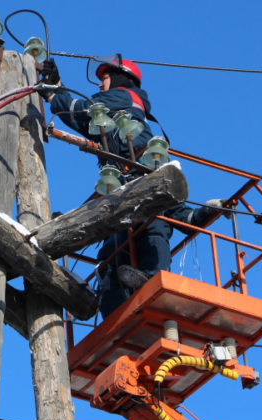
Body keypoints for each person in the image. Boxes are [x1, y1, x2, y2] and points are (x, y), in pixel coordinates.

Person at [41, 57, 228, 318]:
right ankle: (117, 305)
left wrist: (54, 94)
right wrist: (57, 89)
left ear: (119, 78)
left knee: (153, 224)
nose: (99, 83)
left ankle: (150, 281)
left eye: (104, 78)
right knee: (112, 252)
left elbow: (86, 113)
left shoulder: (124, 97)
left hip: (140, 175)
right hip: (125, 188)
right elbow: (91, 123)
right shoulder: (117, 114)